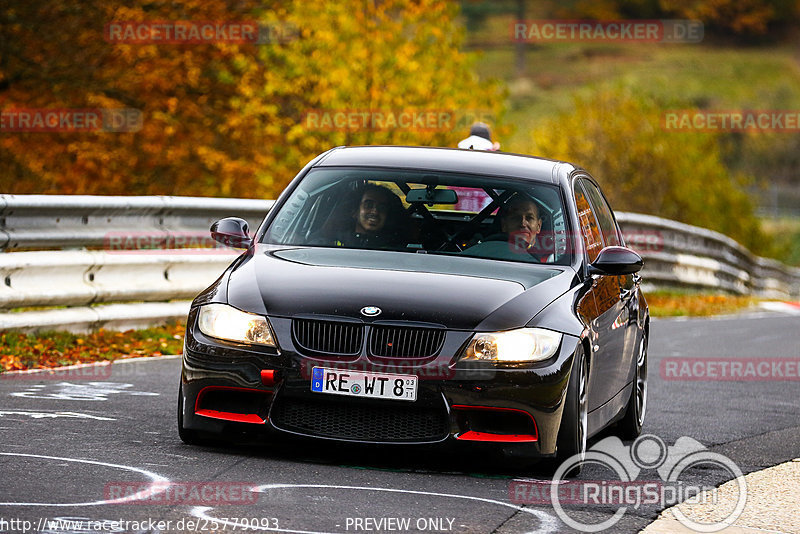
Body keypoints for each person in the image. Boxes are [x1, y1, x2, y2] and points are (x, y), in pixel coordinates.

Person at [326, 183, 408, 249]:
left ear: (388, 216)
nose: (375, 212)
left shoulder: (396, 250)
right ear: (354, 211)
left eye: (382, 208)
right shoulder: (331, 243)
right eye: (368, 205)